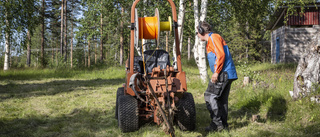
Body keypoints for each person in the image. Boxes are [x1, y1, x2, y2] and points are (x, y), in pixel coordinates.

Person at [196, 21, 238, 132]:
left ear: (201, 31)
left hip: (223, 73)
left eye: (197, 33)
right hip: (227, 73)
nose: (197, 35)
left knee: (209, 96)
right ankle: (223, 126)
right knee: (221, 100)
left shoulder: (213, 38)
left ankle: (217, 125)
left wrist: (216, 72)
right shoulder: (212, 40)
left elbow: (221, 55)